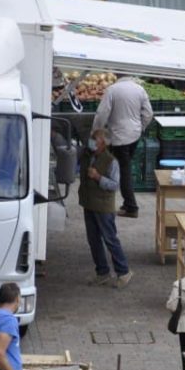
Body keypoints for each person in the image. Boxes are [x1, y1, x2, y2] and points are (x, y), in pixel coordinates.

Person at [92, 76, 153, 218]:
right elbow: (148, 114)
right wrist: (141, 127)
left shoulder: (112, 90)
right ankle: (127, 204)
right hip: (134, 135)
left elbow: (102, 114)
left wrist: (96, 131)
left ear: (117, 78)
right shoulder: (140, 89)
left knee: (123, 170)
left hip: (119, 136)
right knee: (123, 167)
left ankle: (131, 207)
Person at [80, 128, 132, 288]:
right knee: (93, 240)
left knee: (110, 239)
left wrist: (98, 177)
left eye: (95, 139)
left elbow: (114, 185)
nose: (91, 142)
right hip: (89, 203)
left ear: (103, 144)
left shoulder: (111, 161)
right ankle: (102, 272)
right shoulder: (88, 156)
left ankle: (123, 272)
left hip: (103, 207)